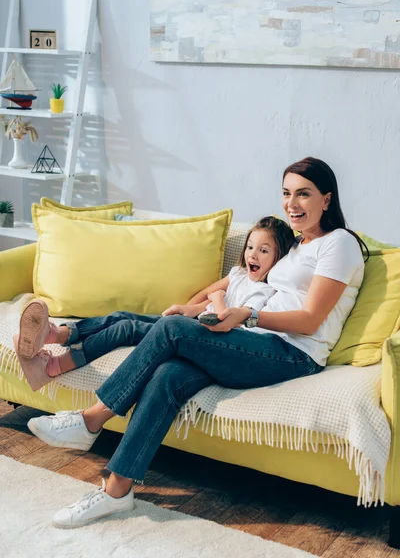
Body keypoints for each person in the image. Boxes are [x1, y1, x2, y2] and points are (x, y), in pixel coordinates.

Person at [24, 157, 367, 529]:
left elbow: (311, 319)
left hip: (293, 353)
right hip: (254, 340)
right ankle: (116, 491)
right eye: (287, 193)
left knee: (172, 330)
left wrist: (247, 316)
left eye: (304, 194)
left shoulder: (340, 244)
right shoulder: (300, 244)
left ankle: (90, 421)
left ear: (327, 199)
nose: (292, 203)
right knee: (169, 373)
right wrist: (228, 314)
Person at [14, 216, 295, 392]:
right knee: (123, 317)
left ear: (279, 258)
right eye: (250, 247)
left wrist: (217, 300)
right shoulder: (238, 274)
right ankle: (56, 334)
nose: (252, 255)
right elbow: (204, 295)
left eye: (263, 250)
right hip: (191, 324)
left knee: (125, 328)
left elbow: (226, 321)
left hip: (203, 339)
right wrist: (188, 309)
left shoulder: (264, 293)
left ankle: (53, 366)